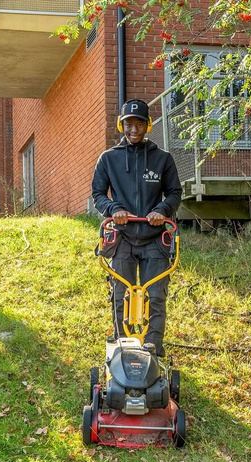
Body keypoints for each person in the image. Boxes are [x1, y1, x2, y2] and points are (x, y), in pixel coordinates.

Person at [92, 98, 182, 356]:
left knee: (155, 296)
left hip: (155, 238)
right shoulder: (108, 159)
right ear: (121, 126)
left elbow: (175, 193)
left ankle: (153, 351)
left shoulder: (162, 159)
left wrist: (161, 211)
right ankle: (123, 349)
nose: (134, 129)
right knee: (121, 294)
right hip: (123, 237)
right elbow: (98, 194)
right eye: (128, 124)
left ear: (148, 125)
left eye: (139, 124)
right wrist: (114, 210)